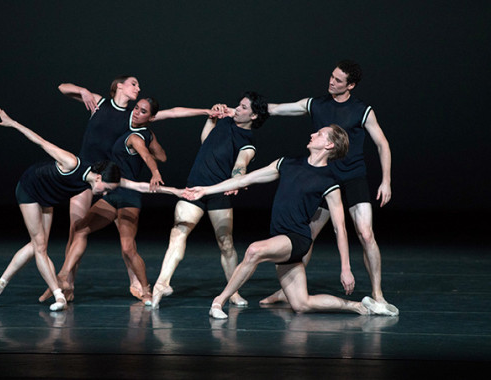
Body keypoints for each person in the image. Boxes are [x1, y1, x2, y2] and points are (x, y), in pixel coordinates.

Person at [183, 125, 399, 319]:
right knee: (302, 304)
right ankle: (361, 307)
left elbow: (339, 227)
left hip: (296, 239)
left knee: (253, 251)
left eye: (319, 134)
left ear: (329, 144)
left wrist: (346, 268)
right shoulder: (287, 163)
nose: (312, 134)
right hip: (281, 238)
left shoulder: (329, 181)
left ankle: (218, 302)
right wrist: (206, 190)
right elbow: (245, 179)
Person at [47, 77, 218, 303]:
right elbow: (62, 87)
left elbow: (174, 112)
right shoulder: (99, 103)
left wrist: (206, 111)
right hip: (84, 174)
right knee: (76, 230)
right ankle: (66, 285)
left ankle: (137, 283)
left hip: (109, 180)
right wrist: (83, 91)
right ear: (119, 86)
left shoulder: (134, 117)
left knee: (126, 240)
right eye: (134, 84)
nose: (138, 88)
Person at [263, 60, 395, 310]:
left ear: (351, 85)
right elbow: (278, 109)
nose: (331, 82)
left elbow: (382, 144)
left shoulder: (362, 110)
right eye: (331, 77)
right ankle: (287, 289)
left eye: (338, 80)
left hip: (353, 177)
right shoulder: (317, 104)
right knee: (306, 236)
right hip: (324, 179)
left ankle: (378, 293)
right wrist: (245, 109)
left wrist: (386, 180)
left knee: (366, 234)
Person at [0, 107, 121, 311]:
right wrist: (13, 123)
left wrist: (172, 191)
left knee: (36, 245)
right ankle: (58, 296)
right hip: (29, 189)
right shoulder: (72, 162)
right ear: (99, 178)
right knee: (41, 246)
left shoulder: (93, 182)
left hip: (46, 198)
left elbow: (135, 185)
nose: (104, 193)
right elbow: (41, 141)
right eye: (105, 188)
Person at [151, 92, 270, 308]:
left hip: (217, 193)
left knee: (225, 243)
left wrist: (237, 180)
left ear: (253, 116)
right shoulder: (225, 121)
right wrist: (211, 117)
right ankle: (161, 285)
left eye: (243, 108)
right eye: (239, 105)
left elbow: (240, 165)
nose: (237, 109)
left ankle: (233, 292)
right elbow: (206, 141)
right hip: (194, 187)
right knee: (178, 231)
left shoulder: (247, 142)